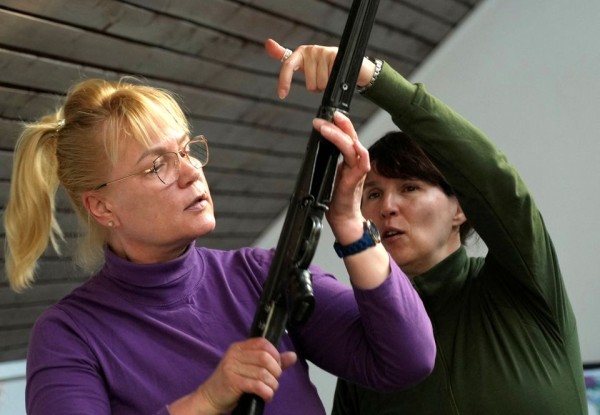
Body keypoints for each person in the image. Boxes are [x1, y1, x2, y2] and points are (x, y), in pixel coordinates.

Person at [3, 70, 436, 414]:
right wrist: (207, 401)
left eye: (187, 150)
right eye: (157, 166)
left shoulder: (262, 274)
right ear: (101, 207)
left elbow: (406, 358)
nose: (192, 171)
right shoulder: (69, 335)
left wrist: (349, 221)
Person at [267, 38, 588, 415]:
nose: (387, 206)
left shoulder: (521, 286)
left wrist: (372, 78)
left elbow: (494, 181)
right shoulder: (372, 346)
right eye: (372, 193)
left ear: (460, 208)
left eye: (410, 188)